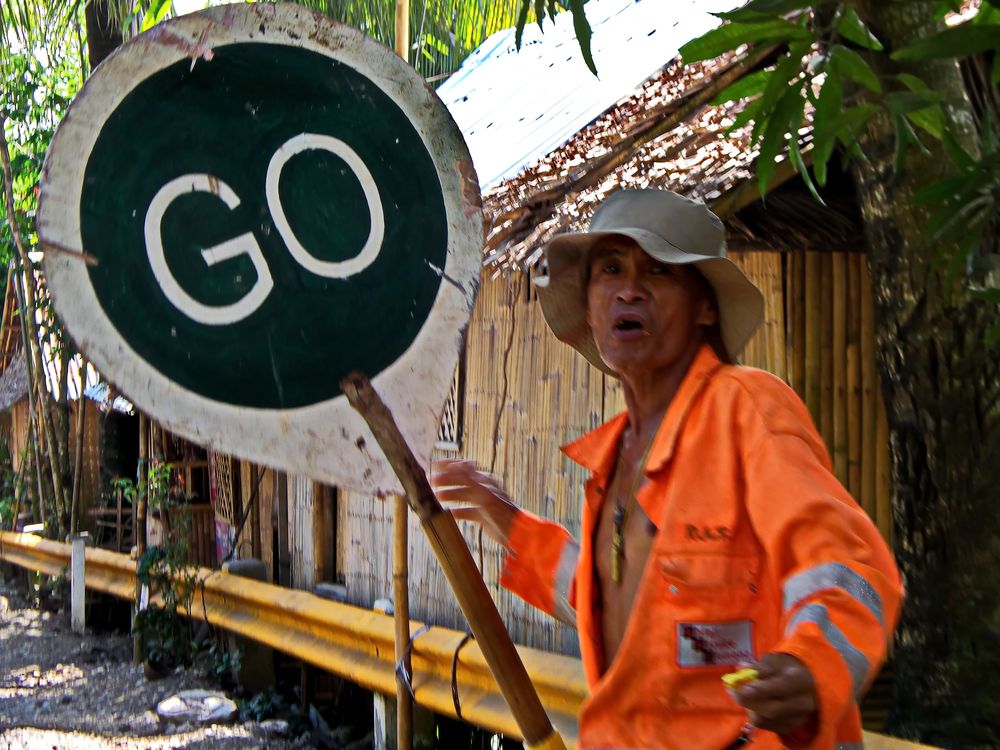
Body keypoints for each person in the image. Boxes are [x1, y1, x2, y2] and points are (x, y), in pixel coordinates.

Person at [432, 189, 902, 750]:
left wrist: (811, 664)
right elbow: (610, 600)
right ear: (589, 305)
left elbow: (846, 564)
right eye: (611, 269)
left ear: (705, 307)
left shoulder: (745, 409)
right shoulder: (613, 460)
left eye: (658, 271)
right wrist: (504, 519)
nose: (629, 288)